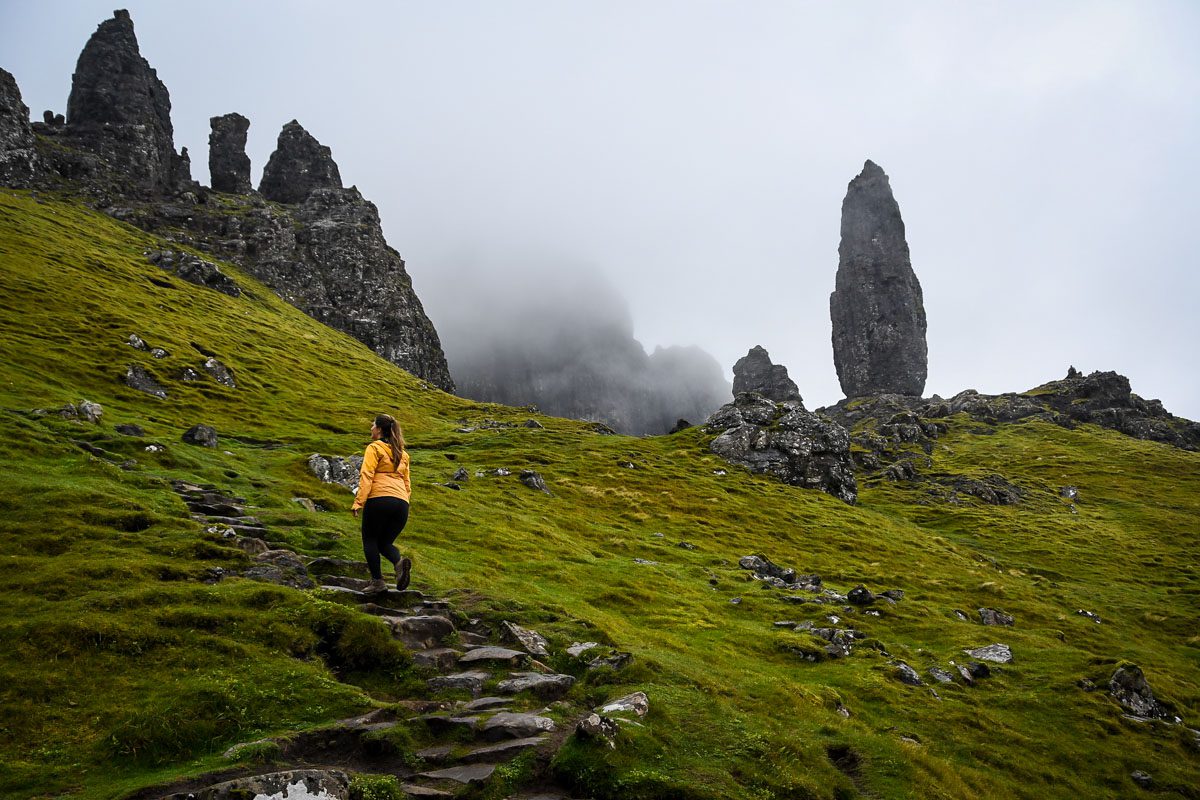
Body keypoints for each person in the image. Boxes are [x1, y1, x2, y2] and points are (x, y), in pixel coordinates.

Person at [351, 413, 412, 593]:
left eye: (373, 425)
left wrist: (359, 502)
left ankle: (377, 581)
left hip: (379, 498)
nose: (371, 429)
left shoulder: (374, 448)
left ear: (379, 429)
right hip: (401, 504)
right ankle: (399, 563)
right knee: (384, 543)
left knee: (369, 539)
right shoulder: (403, 454)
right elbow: (407, 484)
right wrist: (404, 501)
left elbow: (367, 475)